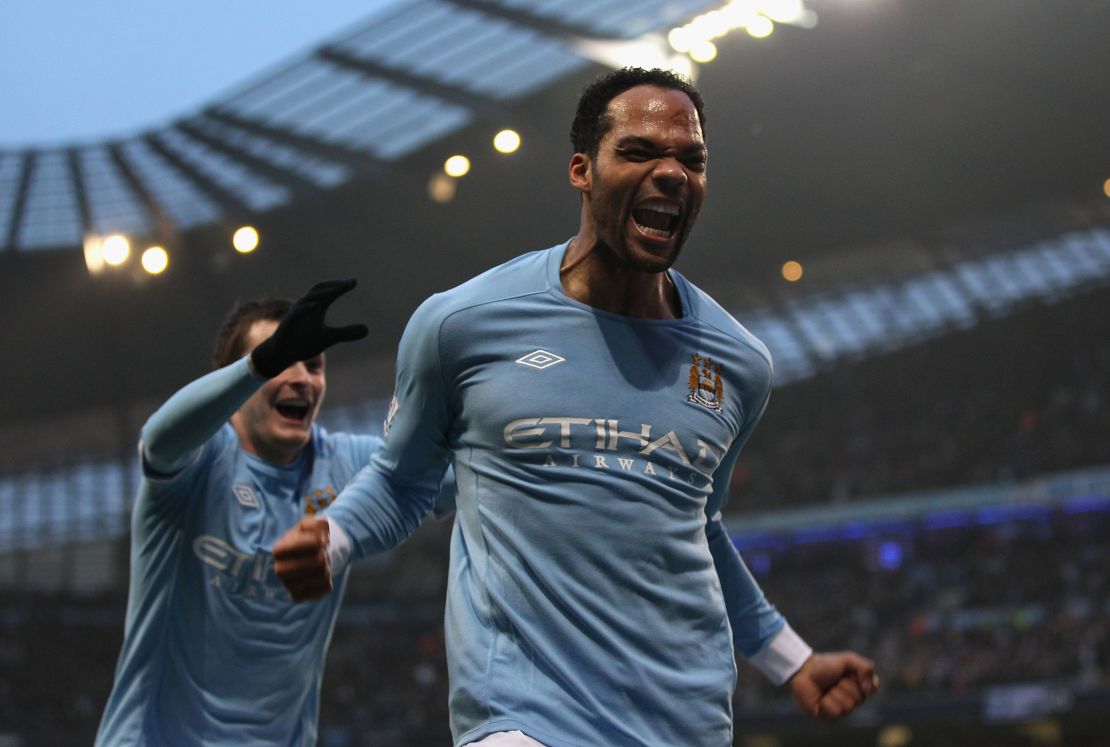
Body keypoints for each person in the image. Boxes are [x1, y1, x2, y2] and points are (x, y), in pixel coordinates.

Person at [274, 68, 879, 747]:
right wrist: (338, 536)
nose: (673, 173)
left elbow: (698, 526)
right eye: (641, 151)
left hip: (686, 721)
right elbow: (401, 477)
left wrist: (790, 659)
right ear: (581, 170)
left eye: (692, 159)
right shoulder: (462, 325)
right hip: (522, 718)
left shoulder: (740, 364)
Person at [97, 280, 404, 745]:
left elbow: (445, 476)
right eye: (282, 361)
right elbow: (159, 440)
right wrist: (261, 364)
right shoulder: (199, 459)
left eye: (314, 364)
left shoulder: (345, 464)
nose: (302, 376)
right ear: (237, 380)